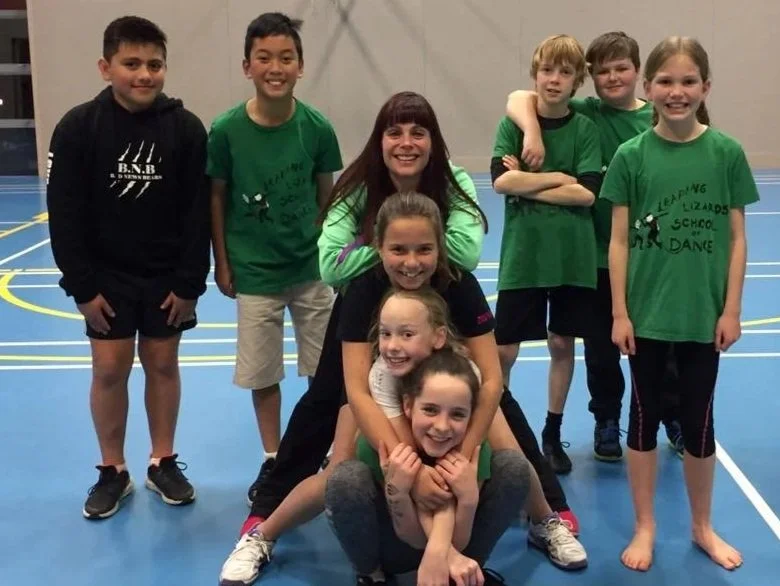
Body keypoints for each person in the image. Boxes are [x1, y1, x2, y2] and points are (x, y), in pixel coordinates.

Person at [218, 91, 489, 586]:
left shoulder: (454, 182)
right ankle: (263, 521)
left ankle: (549, 513)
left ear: (433, 141)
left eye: (418, 132)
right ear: (379, 139)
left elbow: (465, 251)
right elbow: (330, 264)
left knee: (490, 409)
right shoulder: (356, 187)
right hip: (366, 318)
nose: (406, 143)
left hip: (432, 310)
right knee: (326, 409)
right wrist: (389, 253)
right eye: (395, 131)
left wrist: (385, 247)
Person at [335, 193, 587, 571]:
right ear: (378, 247)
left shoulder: (459, 285)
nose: (411, 262)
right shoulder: (362, 290)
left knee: (505, 441)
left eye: (424, 249)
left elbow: (490, 380)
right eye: (398, 250)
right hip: (384, 391)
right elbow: (356, 389)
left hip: (449, 392)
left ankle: (544, 519)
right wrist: (416, 469)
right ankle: (267, 531)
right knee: (340, 470)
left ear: (440, 247)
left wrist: (464, 454)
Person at [601, 35, 758, 572]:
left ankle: (701, 526)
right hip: (647, 317)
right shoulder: (630, 156)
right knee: (642, 422)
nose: (676, 91)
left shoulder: (727, 154)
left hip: (701, 318)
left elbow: (738, 237)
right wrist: (621, 312)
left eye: (688, 81)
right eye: (665, 81)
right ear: (649, 88)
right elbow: (618, 240)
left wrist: (731, 308)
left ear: (705, 88)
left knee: (700, 423)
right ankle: (646, 526)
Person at [46, 15, 210, 519]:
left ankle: (162, 460)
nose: (145, 74)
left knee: (163, 364)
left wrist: (189, 283)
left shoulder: (184, 128)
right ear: (105, 67)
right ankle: (112, 469)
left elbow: (197, 211)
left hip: (165, 279)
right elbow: (64, 212)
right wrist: (82, 286)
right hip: (106, 278)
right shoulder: (78, 128)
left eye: (154, 64)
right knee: (110, 369)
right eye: (131, 63)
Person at [505, 31, 684, 462]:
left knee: (662, 346)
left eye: (621, 68)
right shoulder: (586, 110)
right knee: (600, 349)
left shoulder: (657, 116)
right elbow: (518, 96)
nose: (611, 77)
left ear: (638, 73)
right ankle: (606, 420)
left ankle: (672, 417)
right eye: (601, 70)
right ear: (591, 78)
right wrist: (531, 130)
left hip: (652, 255)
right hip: (598, 253)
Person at [207, 11, 343, 502]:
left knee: (322, 372)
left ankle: (318, 454)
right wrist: (221, 261)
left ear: (300, 66)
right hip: (255, 273)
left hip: (310, 271)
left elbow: (330, 200)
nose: (275, 66)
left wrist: (333, 259)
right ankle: (272, 459)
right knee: (263, 375)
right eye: (264, 57)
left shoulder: (317, 128)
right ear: (247, 66)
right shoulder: (225, 131)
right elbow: (217, 198)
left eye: (286, 57)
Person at [491, 34, 602, 475]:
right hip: (524, 256)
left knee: (561, 343)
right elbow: (502, 183)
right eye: (547, 70)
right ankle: (501, 434)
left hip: (572, 257)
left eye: (565, 72)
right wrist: (560, 176)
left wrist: (532, 180)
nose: (554, 80)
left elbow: (588, 195)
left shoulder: (585, 130)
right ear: (535, 74)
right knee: (503, 353)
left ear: (577, 81)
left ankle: (552, 434)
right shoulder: (513, 124)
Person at [328, 346, 529, 586]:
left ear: (471, 415)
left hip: (458, 541)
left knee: (514, 467)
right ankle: (371, 574)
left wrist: (468, 499)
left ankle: (465, 571)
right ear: (408, 405)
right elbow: (408, 535)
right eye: (431, 410)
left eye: (457, 414)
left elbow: (460, 538)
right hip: (397, 544)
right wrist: (399, 494)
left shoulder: (473, 446)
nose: (442, 426)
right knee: (345, 480)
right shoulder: (383, 443)